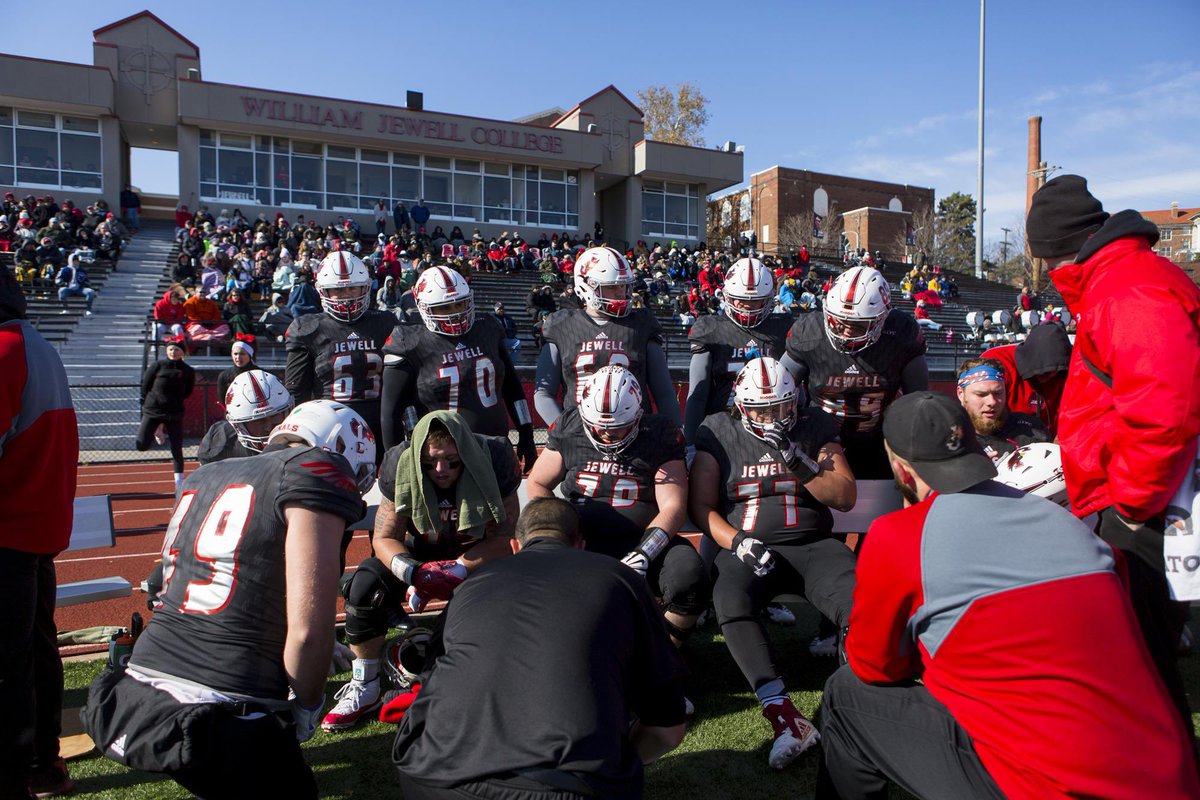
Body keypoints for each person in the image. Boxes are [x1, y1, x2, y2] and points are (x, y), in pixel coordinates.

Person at [817, 391, 1200, 800]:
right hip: (1171, 776)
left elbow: (875, 667)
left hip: (1052, 784)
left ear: (902, 471)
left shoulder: (899, 535)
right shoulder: (1063, 520)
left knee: (845, 695)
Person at [82, 401, 374, 800]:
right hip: (223, 707)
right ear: (339, 451)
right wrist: (307, 704)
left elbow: (235, 582)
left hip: (141, 688)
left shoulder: (208, 473)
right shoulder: (316, 470)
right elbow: (308, 633)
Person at [1027, 174, 1200, 729]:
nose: (1049, 279)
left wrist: (1129, 501)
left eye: (1047, 262)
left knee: (1140, 673)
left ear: (1060, 251)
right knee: (1139, 668)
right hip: (1145, 497)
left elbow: (1163, 410)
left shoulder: (1129, 288)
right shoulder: (1127, 279)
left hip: (1147, 507)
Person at [392, 497, 687, 798]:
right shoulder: (620, 579)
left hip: (433, 776)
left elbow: (430, 679)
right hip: (564, 785)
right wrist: (614, 764)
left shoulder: (470, 586)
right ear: (580, 545)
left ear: (516, 546)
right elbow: (666, 730)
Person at [690, 358, 856, 770]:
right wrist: (738, 542)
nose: (772, 417)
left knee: (861, 601)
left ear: (795, 400)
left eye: (781, 407)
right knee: (730, 596)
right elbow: (701, 506)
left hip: (814, 543)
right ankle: (783, 716)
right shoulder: (719, 429)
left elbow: (844, 496)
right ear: (741, 406)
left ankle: (861, 701)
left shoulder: (813, 424)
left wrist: (797, 458)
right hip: (751, 548)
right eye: (762, 410)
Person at [321, 411, 519, 732]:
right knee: (366, 582)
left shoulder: (493, 457)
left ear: (467, 453)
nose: (441, 470)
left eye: (453, 461)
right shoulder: (401, 461)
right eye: (430, 463)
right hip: (418, 557)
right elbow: (385, 537)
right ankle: (366, 685)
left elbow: (507, 536)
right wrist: (415, 573)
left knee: (511, 587)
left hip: (475, 558)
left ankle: (497, 675)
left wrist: (457, 568)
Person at [526, 367, 709, 647]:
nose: (607, 434)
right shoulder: (570, 426)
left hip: (641, 540)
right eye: (599, 426)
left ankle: (664, 653)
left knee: (689, 576)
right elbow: (538, 483)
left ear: (637, 416)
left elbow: (673, 506)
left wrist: (644, 553)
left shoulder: (659, 434)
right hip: (583, 540)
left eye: (617, 427)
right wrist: (556, 534)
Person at [0, 267, 78, 798]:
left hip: (9, 529)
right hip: (34, 526)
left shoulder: (5, 349)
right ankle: (42, 763)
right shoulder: (33, 344)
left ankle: (18, 772)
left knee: (10, 662)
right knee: (36, 650)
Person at [380, 267, 536, 471]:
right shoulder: (410, 341)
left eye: (460, 303)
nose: (456, 313)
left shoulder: (486, 328)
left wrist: (526, 433)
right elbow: (391, 412)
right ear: (424, 307)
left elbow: (513, 389)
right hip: (441, 459)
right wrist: (396, 460)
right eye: (444, 308)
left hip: (494, 446)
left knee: (505, 502)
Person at [781, 266, 928, 480]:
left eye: (859, 324)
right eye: (839, 321)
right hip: (820, 441)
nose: (847, 330)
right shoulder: (810, 332)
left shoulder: (901, 334)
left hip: (878, 440)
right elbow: (781, 389)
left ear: (882, 318)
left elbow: (919, 401)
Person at [534, 246, 681, 428]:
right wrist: (563, 434)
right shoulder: (563, 325)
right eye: (612, 287)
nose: (622, 292)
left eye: (624, 285)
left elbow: (664, 393)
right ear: (587, 286)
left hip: (636, 434)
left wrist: (676, 433)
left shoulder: (641, 324)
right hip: (580, 435)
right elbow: (543, 394)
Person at [285, 251, 398, 451]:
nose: (346, 296)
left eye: (353, 288)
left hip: (381, 424)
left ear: (365, 288)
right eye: (339, 290)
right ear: (323, 291)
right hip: (329, 428)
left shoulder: (385, 322)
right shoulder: (309, 328)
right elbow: (297, 391)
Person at [686, 257, 794, 445]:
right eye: (740, 299)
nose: (747, 306)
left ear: (768, 298)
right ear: (727, 296)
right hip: (724, 427)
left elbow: (796, 388)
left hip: (773, 426)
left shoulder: (782, 328)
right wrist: (691, 444)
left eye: (756, 301)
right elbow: (697, 395)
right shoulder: (712, 329)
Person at [981, 321, 1072, 438]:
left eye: (1051, 370)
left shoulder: (1073, 367)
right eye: (1041, 371)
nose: (1046, 374)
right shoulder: (998, 361)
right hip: (1006, 437)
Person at [955, 358, 1050, 462]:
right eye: (981, 394)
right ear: (961, 394)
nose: (992, 401)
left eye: (998, 393)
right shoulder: (945, 437)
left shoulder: (1031, 429)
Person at [199, 369, 294, 464]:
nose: (268, 427)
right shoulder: (219, 446)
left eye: (274, 415)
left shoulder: (301, 442)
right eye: (259, 420)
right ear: (239, 425)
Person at [137, 341, 196, 490]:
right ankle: (157, 429)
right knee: (141, 445)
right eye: (170, 349)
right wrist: (147, 401)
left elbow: (188, 391)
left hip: (174, 413)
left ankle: (178, 483)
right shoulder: (158, 365)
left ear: (182, 353)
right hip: (153, 410)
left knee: (176, 447)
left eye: (176, 350)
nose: (173, 352)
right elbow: (145, 385)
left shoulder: (188, 371)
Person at [216, 340, 258, 406]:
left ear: (250, 355)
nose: (238, 357)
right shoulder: (224, 375)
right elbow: (223, 401)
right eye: (235, 354)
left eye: (242, 354)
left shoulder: (259, 373)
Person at [55, 251, 97, 316]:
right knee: (61, 291)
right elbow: (58, 280)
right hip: (68, 288)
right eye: (74, 261)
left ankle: (88, 310)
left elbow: (87, 280)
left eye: (77, 261)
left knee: (90, 292)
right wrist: (63, 283)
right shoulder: (64, 269)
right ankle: (65, 309)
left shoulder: (81, 270)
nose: (76, 262)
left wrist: (87, 284)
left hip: (80, 288)